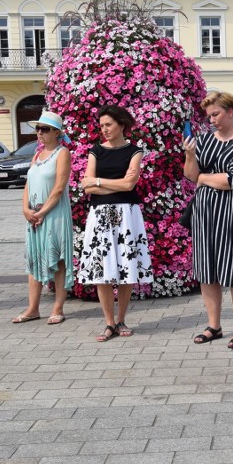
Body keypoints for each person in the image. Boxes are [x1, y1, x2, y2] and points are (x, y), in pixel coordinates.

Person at [184, 92, 233, 349]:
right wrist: (191, 157)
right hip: (204, 211)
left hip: (232, 211)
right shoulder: (203, 141)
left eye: (216, 114)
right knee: (207, 269)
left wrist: (203, 178)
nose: (212, 120)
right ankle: (214, 325)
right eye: (209, 116)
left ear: (229, 112)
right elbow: (189, 174)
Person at [78, 105, 154, 341]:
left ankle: (121, 320)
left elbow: (128, 186)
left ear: (122, 124)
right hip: (100, 214)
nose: (104, 130)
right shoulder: (95, 151)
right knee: (102, 269)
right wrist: (113, 182)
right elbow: (84, 184)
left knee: (126, 268)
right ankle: (109, 323)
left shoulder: (134, 151)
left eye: (108, 125)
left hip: (126, 214)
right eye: (101, 125)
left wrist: (98, 181)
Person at [13, 110, 74, 325]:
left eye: (44, 129)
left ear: (56, 132)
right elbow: (28, 185)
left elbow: (58, 188)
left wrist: (41, 212)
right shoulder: (37, 155)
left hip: (54, 214)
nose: (39, 133)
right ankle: (33, 308)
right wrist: (25, 210)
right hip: (35, 216)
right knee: (34, 259)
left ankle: (58, 307)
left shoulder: (62, 153)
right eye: (37, 128)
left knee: (57, 259)